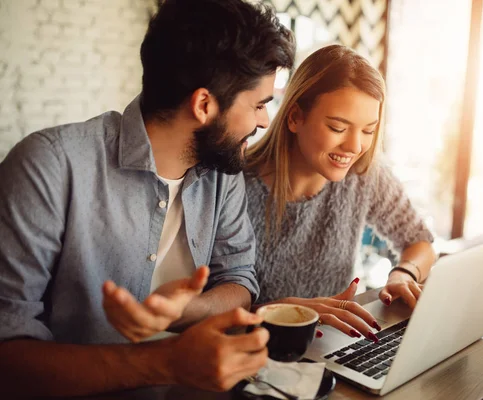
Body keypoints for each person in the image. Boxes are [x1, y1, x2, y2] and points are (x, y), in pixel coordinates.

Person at [0, 0, 295, 397]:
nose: (263, 121)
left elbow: (239, 279)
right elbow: (8, 356)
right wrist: (167, 361)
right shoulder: (48, 166)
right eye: (259, 104)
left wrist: (181, 312)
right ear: (204, 104)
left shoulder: (221, 171)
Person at [244, 45, 437, 341]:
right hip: (255, 352)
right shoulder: (237, 186)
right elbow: (211, 309)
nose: (354, 146)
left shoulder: (364, 174)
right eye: (338, 127)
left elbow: (419, 241)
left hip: (333, 346)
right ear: (295, 117)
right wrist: (283, 310)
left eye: (368, 131)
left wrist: (404, 274)